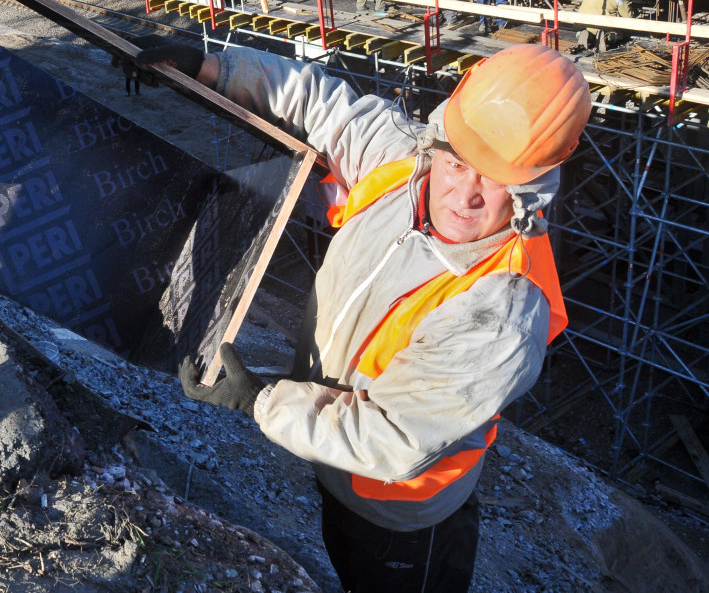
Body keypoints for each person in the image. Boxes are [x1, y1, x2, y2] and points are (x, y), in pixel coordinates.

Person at [122, 40, 591, 593]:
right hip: (334, 465)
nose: (464, 193)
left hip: (397, 517)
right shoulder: (402, 169)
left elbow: (391, 438)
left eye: (494, 180)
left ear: (532, 189)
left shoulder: (502, 309)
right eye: (457, 161)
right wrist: (206, 67)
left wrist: (261, 400)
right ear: (439, 139)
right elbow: (320, 102)